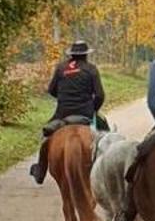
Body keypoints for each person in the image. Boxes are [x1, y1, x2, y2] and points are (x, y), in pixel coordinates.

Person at [30, 41, 106, 185]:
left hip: (62, 115)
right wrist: (93, 109)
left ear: (71, 54)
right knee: (106, 135)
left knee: (46, 137)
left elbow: (51, 90)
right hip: (85, 114)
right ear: (86, 55)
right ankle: (105, 169)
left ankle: (40, 170)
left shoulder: (61, 68)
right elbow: (100, 95)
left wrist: (64, 97)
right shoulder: (91, 69)